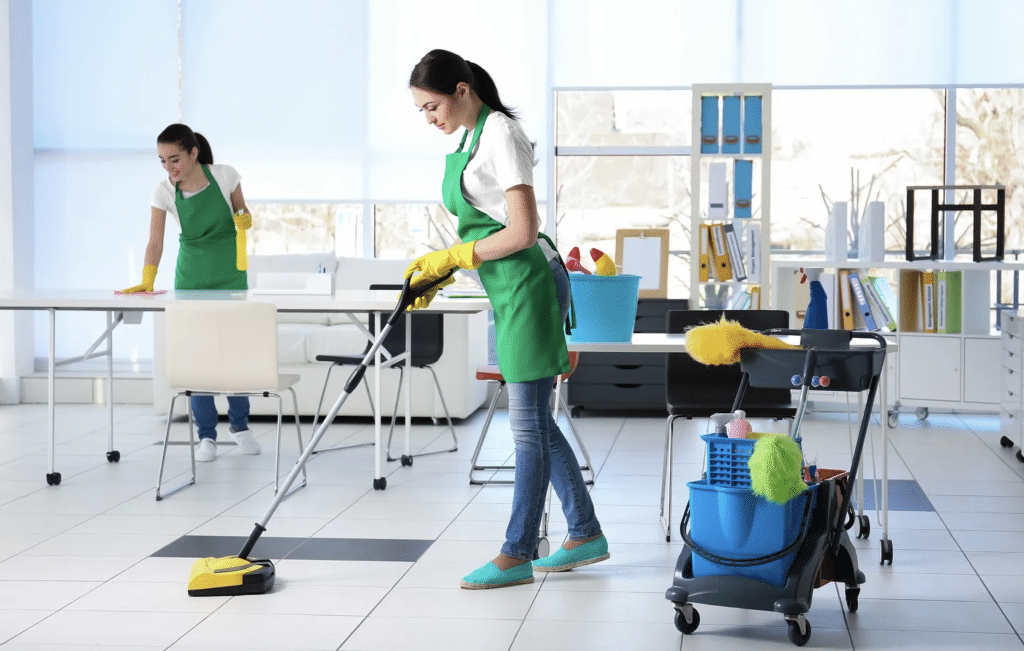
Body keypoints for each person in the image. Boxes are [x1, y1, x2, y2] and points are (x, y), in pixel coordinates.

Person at [406, 49, 608, 589]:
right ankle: (584, 531)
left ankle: (518, 551)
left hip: (532, 285)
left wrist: (455, 257)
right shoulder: (467, 140)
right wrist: (445, 270)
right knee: (534, 420)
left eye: (433, 106)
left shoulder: (500, 134)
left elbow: (520, 231)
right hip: (508, 287)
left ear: (463, 90)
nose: (429, 118)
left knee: (524, 428)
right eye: (422, 110)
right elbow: (484, 229)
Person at [123, 123, 261, 463]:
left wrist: (244, 220)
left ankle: (240, 427)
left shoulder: (225, 176)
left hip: (231, 276)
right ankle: (206, 436)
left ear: (193, 153)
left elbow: (244, 214)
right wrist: (147, 277)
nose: (169, 168)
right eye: (162, 161)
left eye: (175, 159)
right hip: (192, 278)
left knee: (234, 355)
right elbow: (156, 240)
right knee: (199, 359)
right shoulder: (163, 191)